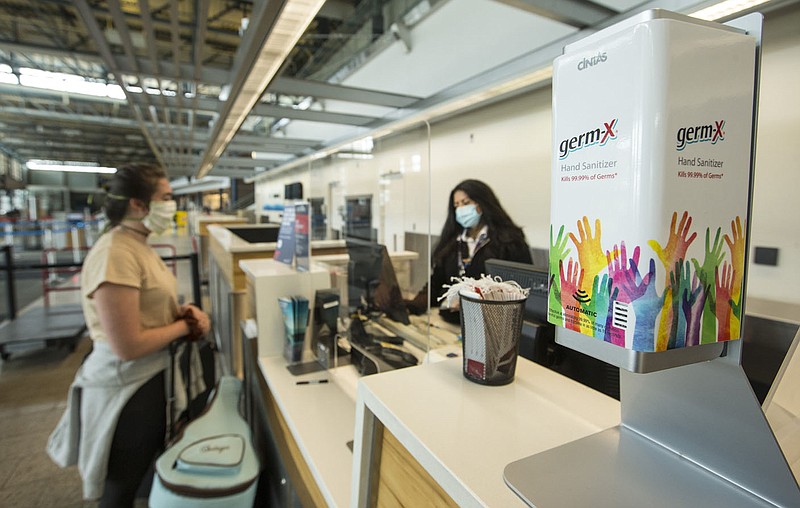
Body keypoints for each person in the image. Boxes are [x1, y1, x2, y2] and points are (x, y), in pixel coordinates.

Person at [47, 163, 210, 507]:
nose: (173, 205)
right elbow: (127, 344)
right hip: (126, 392)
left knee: (136, 477)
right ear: (138, 205)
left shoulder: (138, 245)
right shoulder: (115, 253)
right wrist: (186, 327)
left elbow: (143, 309)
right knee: (121, 487)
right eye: (166, 198)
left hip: (146, 382)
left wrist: (180, 312)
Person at [407, 179, 532, 323]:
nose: (461, 209)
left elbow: (519, 289)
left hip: (490, 325)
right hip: (452, 322)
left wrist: (474, 301)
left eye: (466, 203)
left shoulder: (509, 241)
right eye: (456, 205)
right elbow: (436, 284)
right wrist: (413, 306)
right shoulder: (452, 242)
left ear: (482, 203)